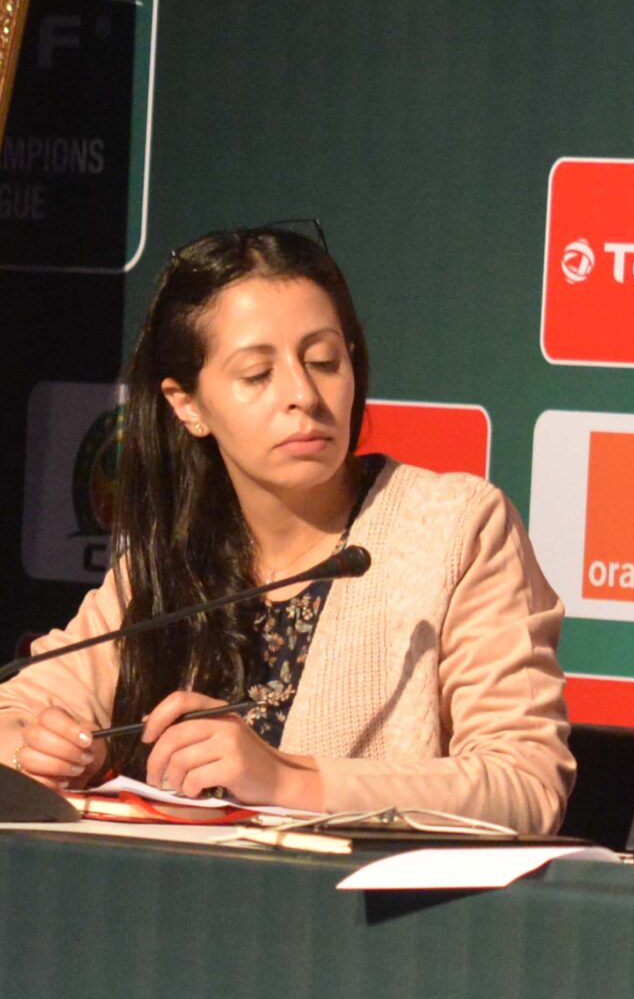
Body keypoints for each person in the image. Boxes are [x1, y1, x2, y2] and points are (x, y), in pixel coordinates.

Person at [0, 226, 573, 832]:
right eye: (257, 375)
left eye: (325, 361)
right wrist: (35, 748)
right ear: (187, 405)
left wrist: (287, 781)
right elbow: (14, 710)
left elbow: (526, 785)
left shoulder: (455, 528)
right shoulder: (167, 560)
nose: (304, 395)